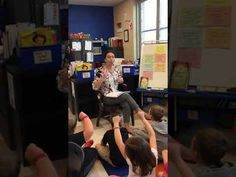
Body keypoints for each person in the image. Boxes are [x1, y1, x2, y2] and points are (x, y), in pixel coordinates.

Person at [92, 51, 143, 132]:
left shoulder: (116, 69)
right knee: (126, 96)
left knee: (126, 104)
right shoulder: (99, 71)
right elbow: (94, 87)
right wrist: (102, 79)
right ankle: (139, 111)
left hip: (115, 94)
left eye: (113, 57)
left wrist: (120, 80)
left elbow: (121, 79)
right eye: (109, 57)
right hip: (106, 96)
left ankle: (127, 126)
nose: (111, 59)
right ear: (105, 59)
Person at [169, 128, 236, 177]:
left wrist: (177, 158)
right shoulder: (227, 166)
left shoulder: (202, 173)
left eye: (191, 145)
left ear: (196, 153)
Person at [112, 112, 157, 177]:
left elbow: (119, 142)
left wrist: (116, 123)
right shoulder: (154, 156)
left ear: (129, 154)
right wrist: (143, 118)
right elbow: (152, 135)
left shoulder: (130, 160)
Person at [68, 111, 98, 176]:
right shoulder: (73, 138)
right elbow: (90, 130)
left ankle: (81, 148)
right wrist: (84, 116)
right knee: (93, 151)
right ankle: (83, 148)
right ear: (74, 128)